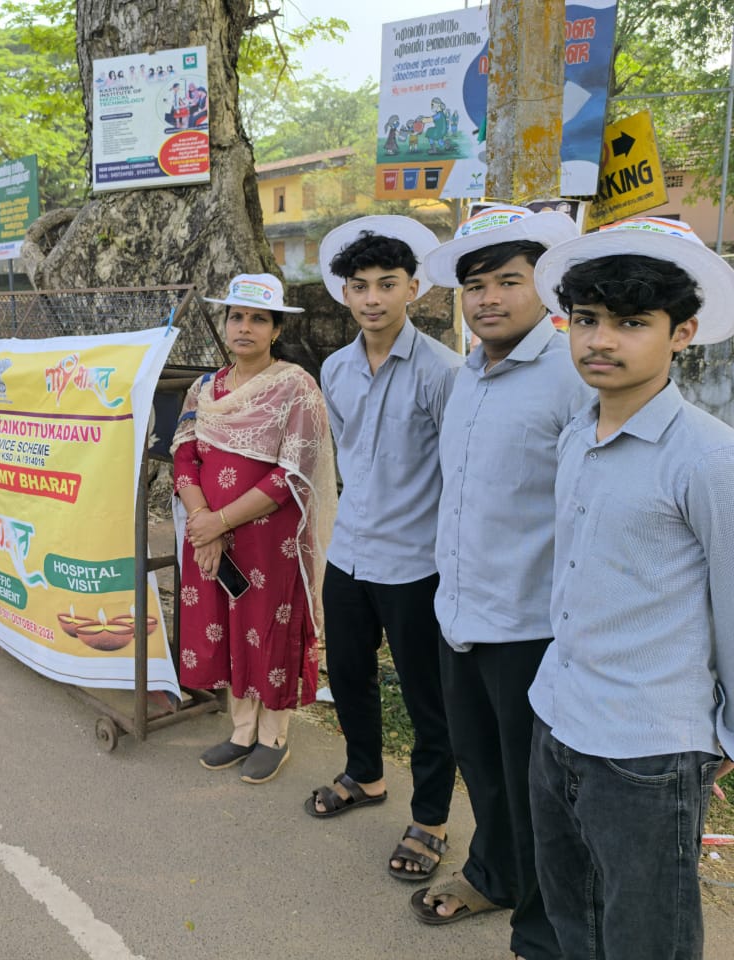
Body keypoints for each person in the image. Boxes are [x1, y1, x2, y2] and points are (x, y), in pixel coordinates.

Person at [527, 217, 734, 960]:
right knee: (573, 924)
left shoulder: (709, 458)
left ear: (683, 334)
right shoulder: (577, 432)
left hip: (647, 752)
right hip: (558, 719)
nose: (600, 341)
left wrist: (726, 738)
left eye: (632, 323)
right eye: (586, 320)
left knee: (649, 939)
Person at [411, 206, 586, 960]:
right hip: (460, 610)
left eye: (508, 282)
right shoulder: (469, 375)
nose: (487, 299)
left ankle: (545, 931)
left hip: (533, 624)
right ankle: (494, 872)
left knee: (538, 789)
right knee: (480, 764)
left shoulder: (573, 375)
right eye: (474, 286)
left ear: (543, 289)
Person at [307, 217, 462, 885]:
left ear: (415, 289)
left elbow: (459, 474)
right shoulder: (335, 368)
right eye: (360, 286)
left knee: (429, 700)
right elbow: (347, 453)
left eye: (387, 285)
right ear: (345, 293)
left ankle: (430, 818)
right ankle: (366, 775)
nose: (372, 298)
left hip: (415, 564)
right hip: (350, 554)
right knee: (348, 675)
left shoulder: (443, 372)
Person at [171, 273, 337, 784]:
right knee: (222, 623)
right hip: (209, 539)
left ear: (276, 330)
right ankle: (241, 730)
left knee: (269, 627)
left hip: (271, 540)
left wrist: (220, 521)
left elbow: (293, 473)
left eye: (258, 319)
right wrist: (204, 524)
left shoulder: (296, 388)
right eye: (236, 316)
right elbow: (183, 454)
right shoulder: (205, 388)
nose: (244, 327)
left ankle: (274, 736)